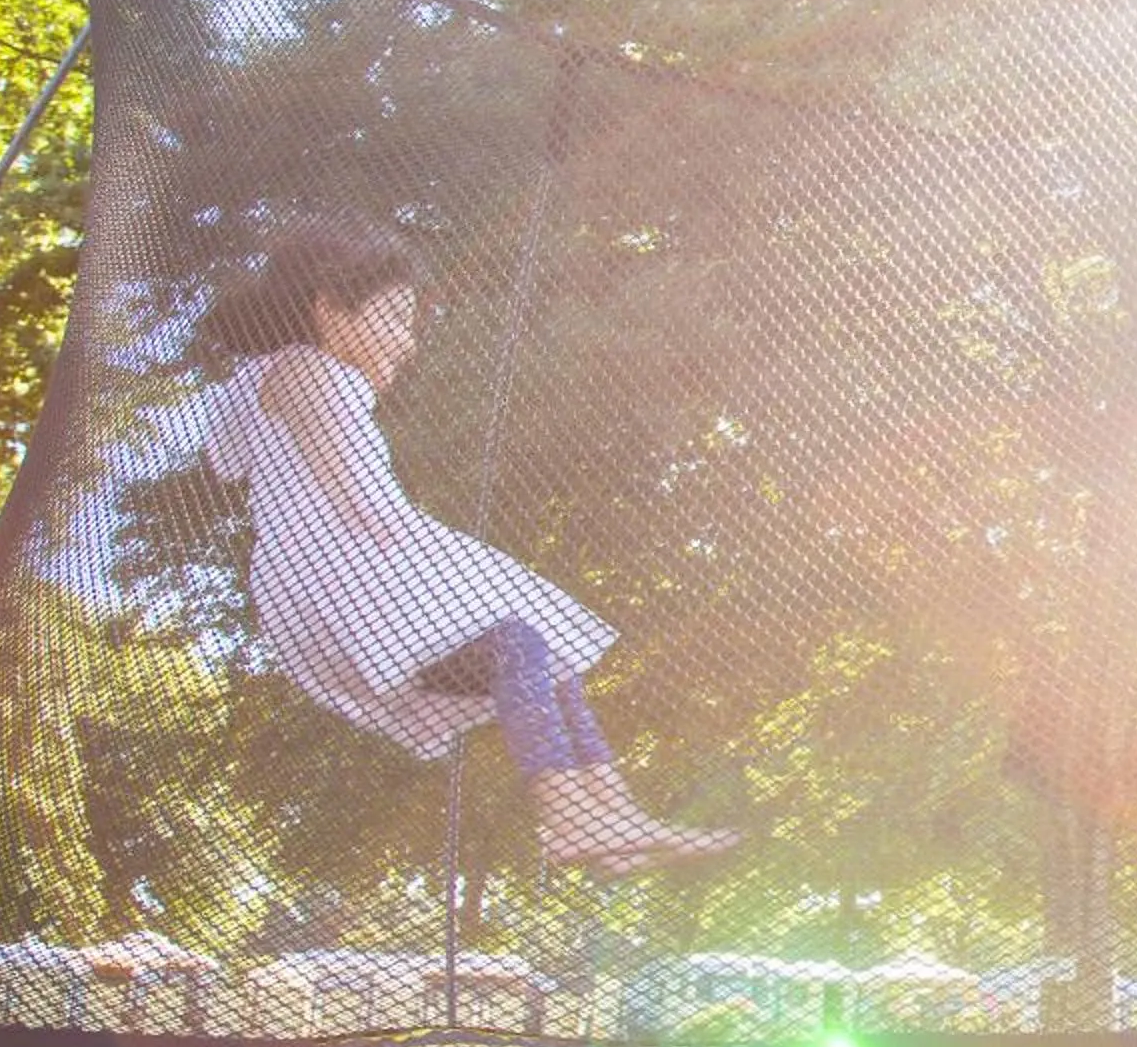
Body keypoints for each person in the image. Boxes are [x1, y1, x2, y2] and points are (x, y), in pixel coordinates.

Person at [201, 220, 739, 876]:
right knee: (526, 637)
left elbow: (235, 457)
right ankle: (576, 818)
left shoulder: (258, 385)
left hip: (309, 603)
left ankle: (604, 815)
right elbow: (344, 471)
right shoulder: (310, 369)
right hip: (348, 580)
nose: (408, 342)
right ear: (328, 309)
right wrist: (394, 530)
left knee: (532, 651)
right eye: (395, 318)